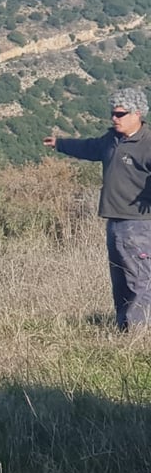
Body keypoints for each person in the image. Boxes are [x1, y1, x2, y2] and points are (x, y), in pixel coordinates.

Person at [44, 87, 151, 330]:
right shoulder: (111, 139)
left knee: (141, 281)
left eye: (120, 114)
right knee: (121, 280)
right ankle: (124, 327)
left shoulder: (147, 144)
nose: (114, 118)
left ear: (137, 114)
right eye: (112, 113)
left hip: (139, 225)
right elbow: (89, 148)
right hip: (114, 222)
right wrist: (60, 144)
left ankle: (138, 333)